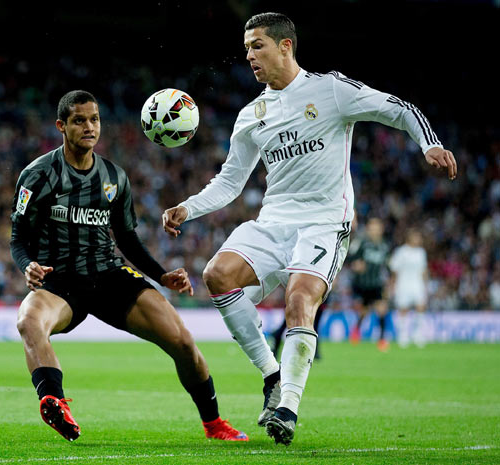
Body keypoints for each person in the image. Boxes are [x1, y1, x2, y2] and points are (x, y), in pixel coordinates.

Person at [162, 12, 456, 446]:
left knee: (300, 298)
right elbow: (230, 181)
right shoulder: (252, 115)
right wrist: (188, 208)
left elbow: (399, 109)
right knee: (217, 275)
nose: (249, 56)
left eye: (257, 46)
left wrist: (428, 142)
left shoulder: (331, 90)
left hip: (323, 223)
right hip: (273, 220)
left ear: (285, 46)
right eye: (246, 48)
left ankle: (288, 408)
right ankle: (272, 375)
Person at [10, 90, 247, 442]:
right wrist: (28, 265)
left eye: (94, 120)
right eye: (79, 120)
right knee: (29, 321)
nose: (89, 127)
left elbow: (127, 238)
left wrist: (162, 274)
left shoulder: (114, 177)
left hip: (110, 277)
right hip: (59, 282)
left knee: (181, 341)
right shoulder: (39, 176)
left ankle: (214, 424)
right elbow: (18, 238)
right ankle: (54, 402)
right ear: (61, 126)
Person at [348, 218, 391, 351]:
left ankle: (382, 339)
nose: (374, 229)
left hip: (377, 283)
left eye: (377, 227)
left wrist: (390, 281)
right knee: (364, 311)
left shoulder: (384, 245)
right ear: (368, 228)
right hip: (363, 283)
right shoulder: (361, 242)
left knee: (382, 309)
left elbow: (387, 265)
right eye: (372, 227)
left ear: (381, 229)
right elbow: (350, 256)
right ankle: (356, 329)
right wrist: (355, 264)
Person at [389, 229, 429, 347]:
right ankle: (403, 335)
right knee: (403, 309)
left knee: (420, 307)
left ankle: (417, 334)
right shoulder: (401, 252)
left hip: (418, 284)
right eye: (416, 237)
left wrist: (426, 285)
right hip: (403, 284)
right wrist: (393, 285)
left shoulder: (421, 252)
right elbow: (394, 270)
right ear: (409, 238)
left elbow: (424, 270)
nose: (418, 240)